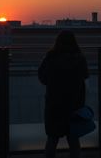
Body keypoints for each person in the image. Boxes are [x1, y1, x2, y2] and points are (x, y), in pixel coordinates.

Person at [38, 30, 89, 158]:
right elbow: (85, 75)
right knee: (73, 140)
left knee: (52, 139)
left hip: (54, 105)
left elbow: (42, 78)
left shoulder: (51, 57)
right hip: (74, 105)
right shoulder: (79, 58)